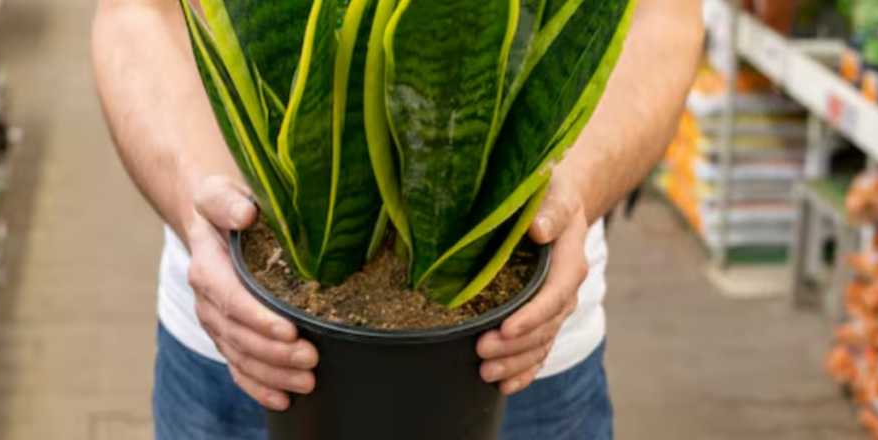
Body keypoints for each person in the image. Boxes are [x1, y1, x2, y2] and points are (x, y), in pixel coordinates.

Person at [91, 1, 703, 439]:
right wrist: (203, 208)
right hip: (238, 346)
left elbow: (667, 18)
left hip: (525, 361)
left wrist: (567, 188)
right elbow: (133, 14)